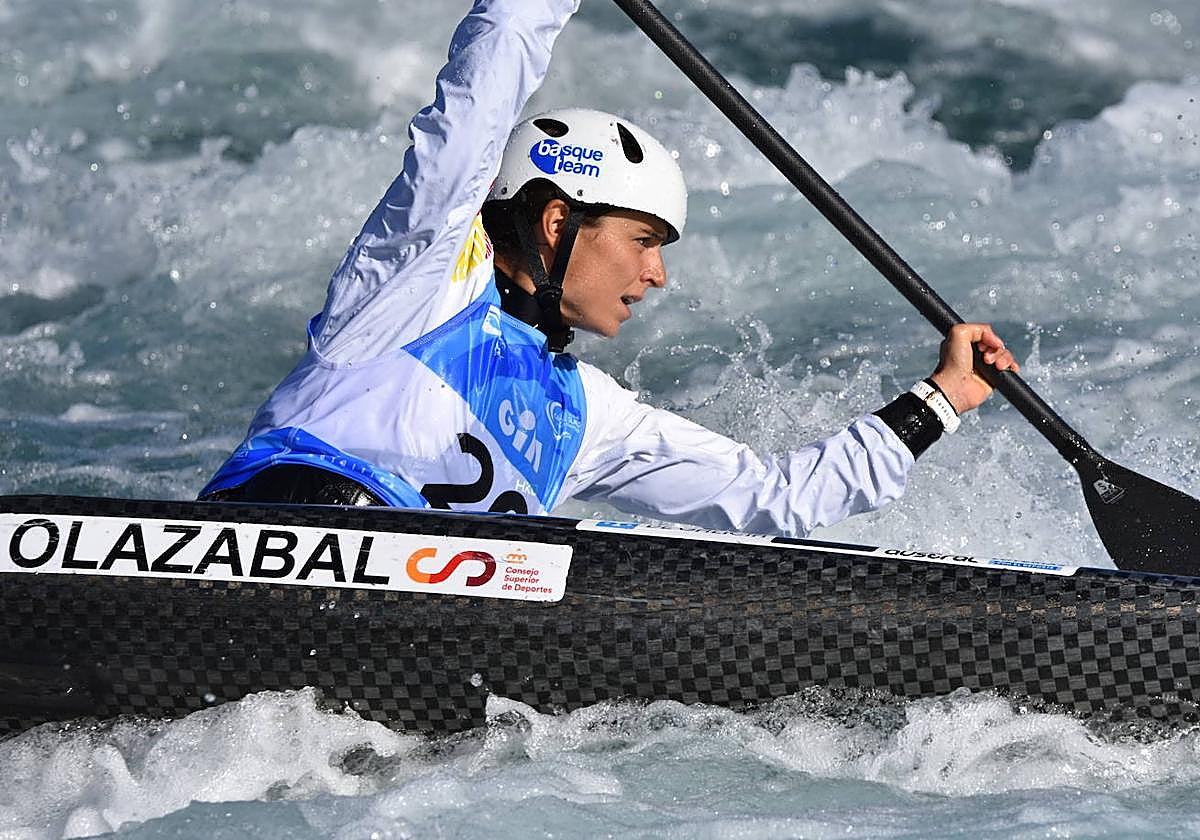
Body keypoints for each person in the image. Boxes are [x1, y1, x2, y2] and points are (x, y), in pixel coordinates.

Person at [199, 0, 1019, 537]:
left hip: (412, 633)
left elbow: (776, 498)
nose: (657, 276)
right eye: (643, 241)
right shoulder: (415, 281)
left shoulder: (589, 415)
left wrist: (941, 400)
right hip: (264, 546)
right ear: (558, 223)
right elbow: (479, 98)